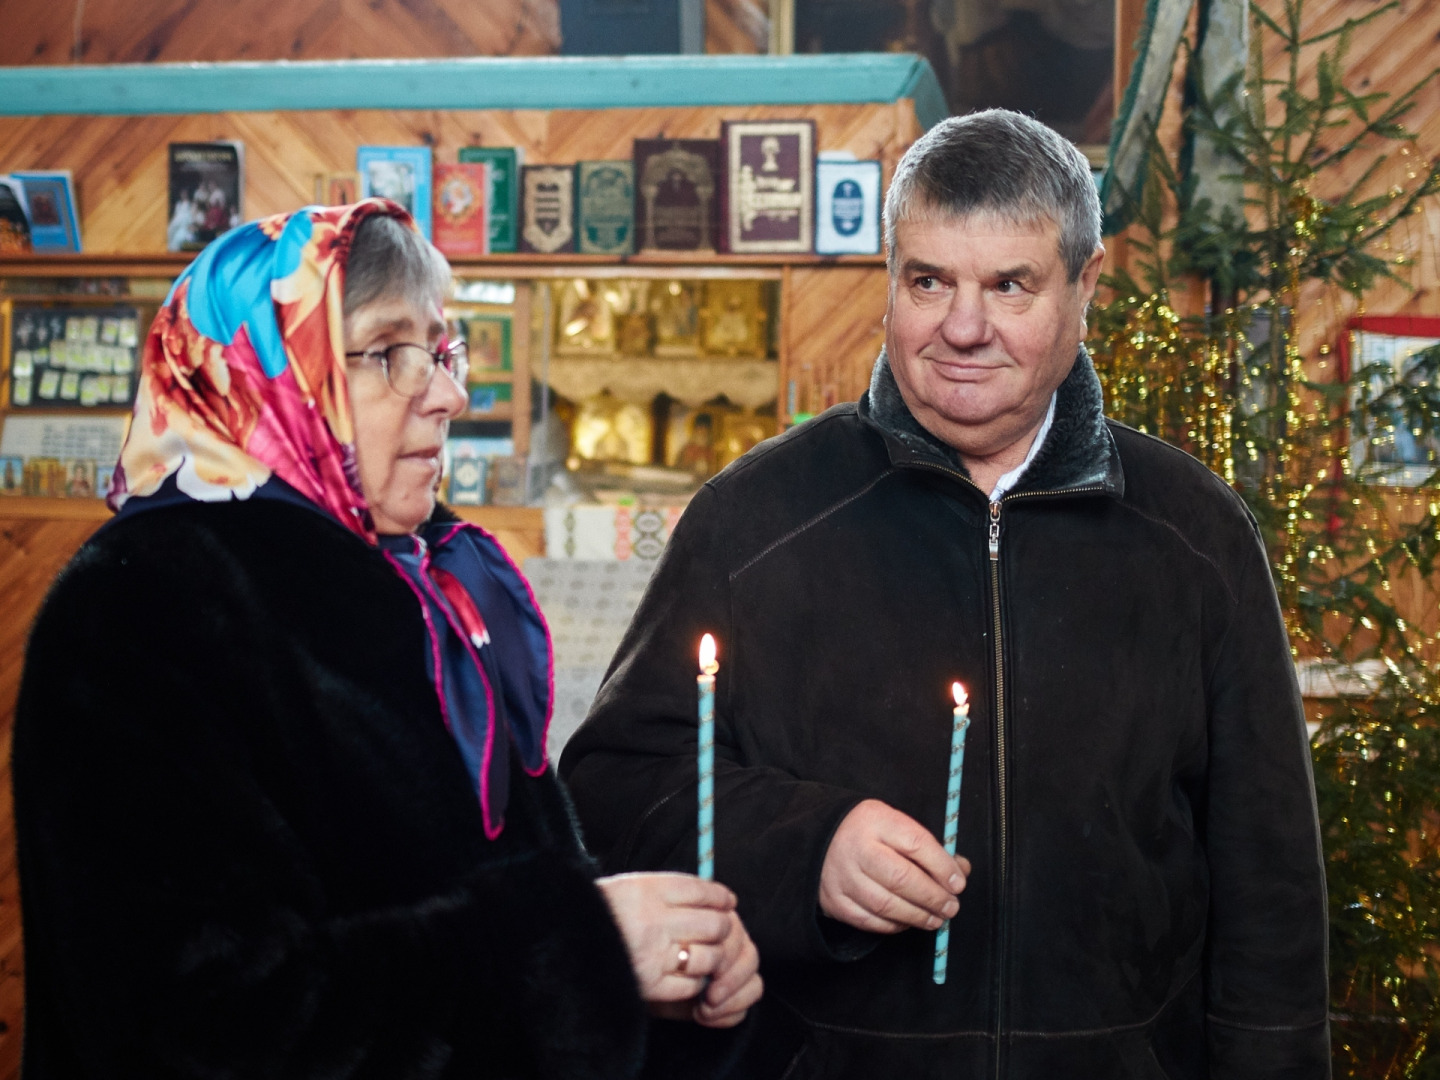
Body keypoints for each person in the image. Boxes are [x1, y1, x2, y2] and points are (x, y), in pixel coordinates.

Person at [560, 110, 1331, 1078]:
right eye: (930, 281)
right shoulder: (753, 520)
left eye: (1011, 286)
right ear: (891, 280)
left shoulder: (1195, 536)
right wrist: (808, 844)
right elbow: (616, 785)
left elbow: (1270, 881)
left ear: (1085, 286)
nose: (964, 328)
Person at [13, 199, 762, 1080]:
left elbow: (522, 894)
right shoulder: (142, 606)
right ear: (265, 370)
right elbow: (190, 1025)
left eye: (442, 351)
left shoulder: (433, 582)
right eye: (387, 354)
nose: (449, 393)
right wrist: (577, 953)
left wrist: (667, 978)